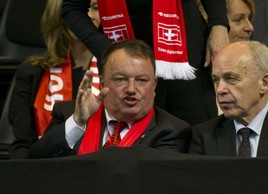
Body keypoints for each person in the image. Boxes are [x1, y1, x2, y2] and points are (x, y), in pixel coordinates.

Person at [61, 0, 230, 125]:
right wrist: (107, 50)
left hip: (184, 53)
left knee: (195, 141)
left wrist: (219, 24)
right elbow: (72, 7)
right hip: (120, 51)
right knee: (130, 148)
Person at [28, 39, 191, 159]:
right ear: (103, 82)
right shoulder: (69, 114)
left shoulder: (171, 130)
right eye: (120, 79)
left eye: (141, 80)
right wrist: (78, 122)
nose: (131, 89)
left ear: (154, 84)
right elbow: (35, 163)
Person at [9, 0, 101, 159]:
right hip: (46, 170)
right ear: (59, 14)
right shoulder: (32, 71)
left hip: (102, 169)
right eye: (79, 8)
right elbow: (23, 143)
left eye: (95, 8)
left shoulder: (118, 72)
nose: (89, 15)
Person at [188, 41, 268, 157]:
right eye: (216, 80)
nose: (220, 89)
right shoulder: (204, 135)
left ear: (264, 83)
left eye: (231, 78)